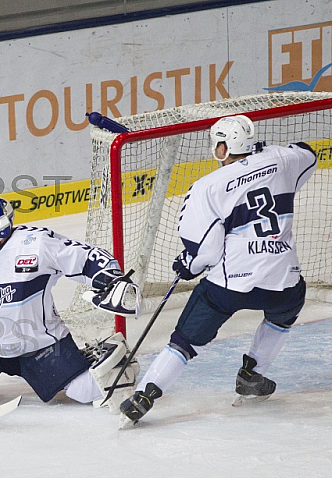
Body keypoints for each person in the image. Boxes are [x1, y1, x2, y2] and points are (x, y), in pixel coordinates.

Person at [120, 115, 319, 426]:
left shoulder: (207, 186)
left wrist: (188, 266)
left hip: (229, 287)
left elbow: (207, 251)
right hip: (283, 283)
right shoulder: (283, 159)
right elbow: (308, 152)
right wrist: (266, 154)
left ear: (223, 148)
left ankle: (145, 394)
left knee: (185, 341)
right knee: (287, 310)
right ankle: (253, 374)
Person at [0, 194, 141, 413]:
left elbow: (84, 256)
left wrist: (110, 279)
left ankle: (116, 366)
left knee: (84, 392)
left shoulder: (35, 243)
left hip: (39, 345)